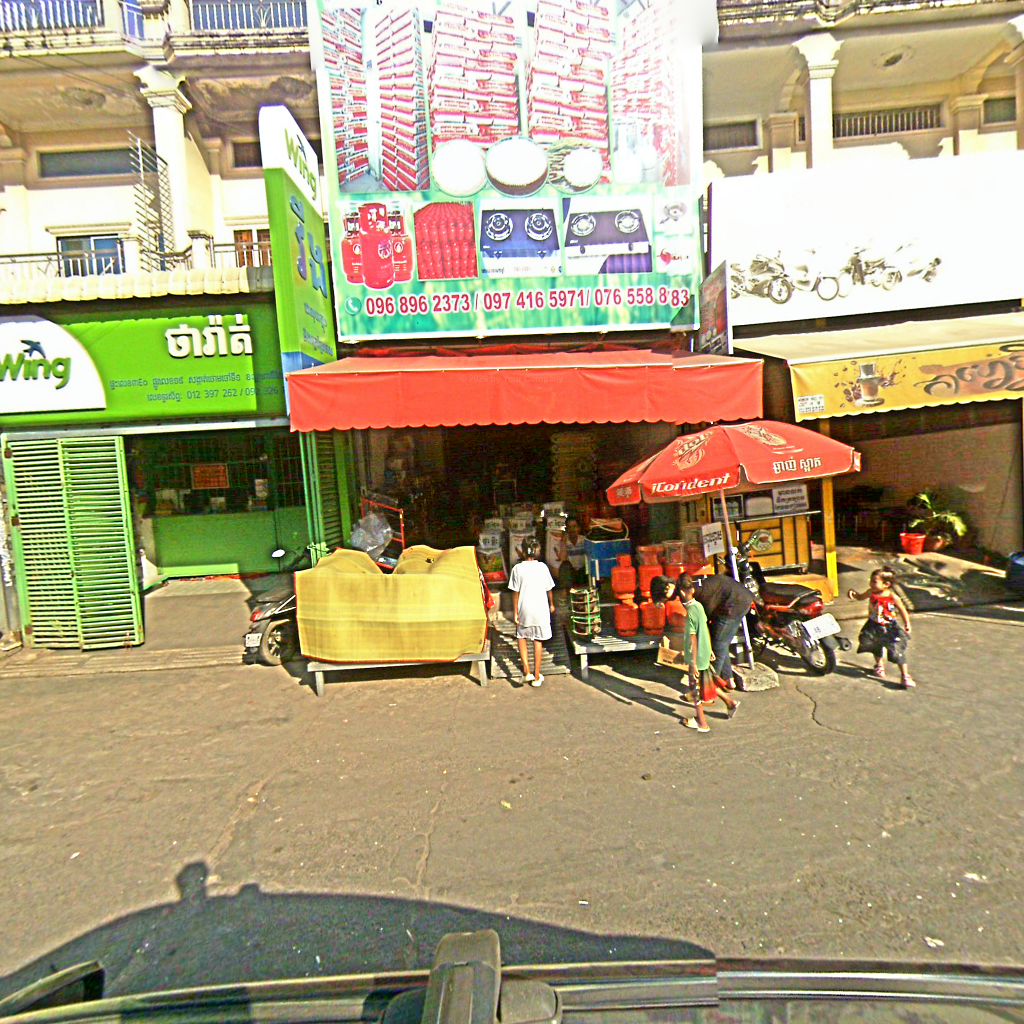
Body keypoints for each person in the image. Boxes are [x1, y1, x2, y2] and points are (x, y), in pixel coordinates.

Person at [651, 575, 738, 732]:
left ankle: (702, 723)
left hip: (697, 657)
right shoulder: (698, 606)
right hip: (704, 652)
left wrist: (692, 663)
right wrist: (709, 650)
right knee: (706, 683)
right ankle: (730, 703)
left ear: (682, 592)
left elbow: (692, 638)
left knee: (696, 689)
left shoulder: (691, 612)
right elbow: (704, 629)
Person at [848, 568, 915, 687]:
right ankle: (879, 666)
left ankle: (905, 675)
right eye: (871, 581)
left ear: (886, 584)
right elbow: (860, 597)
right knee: (875, 646)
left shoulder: (893, 596)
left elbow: (902, 610)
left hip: (890, 626)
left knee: (896, 650)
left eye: (874, 581)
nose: (870, 584)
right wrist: (854, 594)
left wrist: (907, 623)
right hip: (873, 624)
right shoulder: (871, 592)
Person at [507, 538, 556, 687]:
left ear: (522, 551)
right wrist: (552, 604)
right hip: (540, 609)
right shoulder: (543, 567)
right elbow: (549, 589)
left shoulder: (517, 569)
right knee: (537, 640)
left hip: (525, 609)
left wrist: (515, 612)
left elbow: (515, 593)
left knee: (521, 637)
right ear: (537, 551)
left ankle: (527, 671)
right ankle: (537, 676)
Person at [693, 571, 754, 689]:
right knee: (722, 641)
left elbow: (705, 619)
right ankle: (728, 679)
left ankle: (709, 685)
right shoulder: (700, 586)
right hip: (740, 599)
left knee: (717, 645)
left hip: (734, 605)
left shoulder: (702, 596)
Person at [554, 516, 587, 589]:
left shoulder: (584, 540)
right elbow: (562, 559)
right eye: (569, 527)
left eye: (574, 526)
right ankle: (568, 591)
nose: (572, 529)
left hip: (583, 571)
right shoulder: (563, 541)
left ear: (579, 528)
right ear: (566, 529)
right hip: (571, 573)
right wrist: (564, 542)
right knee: (565, 566)